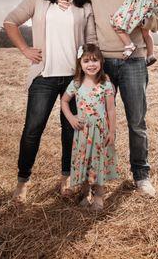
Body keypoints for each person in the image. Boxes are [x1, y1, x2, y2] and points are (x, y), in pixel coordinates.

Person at [3, 0, 97, 203]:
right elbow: (10, 22)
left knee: (71, 131)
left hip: (72, 80)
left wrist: (91, 74)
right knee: (33, 130)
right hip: (43, 77)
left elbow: (90, 43)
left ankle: (66, 178)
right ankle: (23, 182)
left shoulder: (83, 5)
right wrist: (25, 49)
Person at [85, 0, 158, 197]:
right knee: (99, 122)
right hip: (103, 64)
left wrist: (144, 20)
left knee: (137, 121)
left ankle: (141, 176)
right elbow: (86, 20)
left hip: (134, 61)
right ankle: (98, 177)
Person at [60, 44, 119, 210]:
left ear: (101, 62)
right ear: (80, 63)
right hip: (82, 131)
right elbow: (64, 101)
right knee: (84, 162)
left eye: (94, 60)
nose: (91, 64)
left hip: (100, 131)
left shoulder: (105, 84)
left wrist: (112, 131)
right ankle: (86, 193)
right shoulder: (76, 84)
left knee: (98, 163)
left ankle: (99, 195)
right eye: (86, 61)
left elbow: (111, 109)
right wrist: (71, 117)